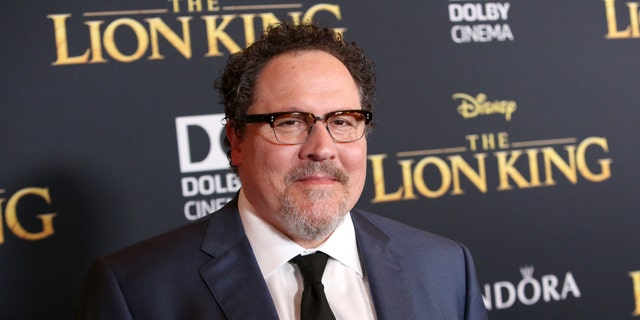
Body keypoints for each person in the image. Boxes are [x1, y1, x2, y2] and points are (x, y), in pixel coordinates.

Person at [77, 22, 488, 320]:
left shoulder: (446, 267)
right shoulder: (135, 290)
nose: (322, 148)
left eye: (343, 121)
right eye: (290, 122)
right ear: (237, 141)